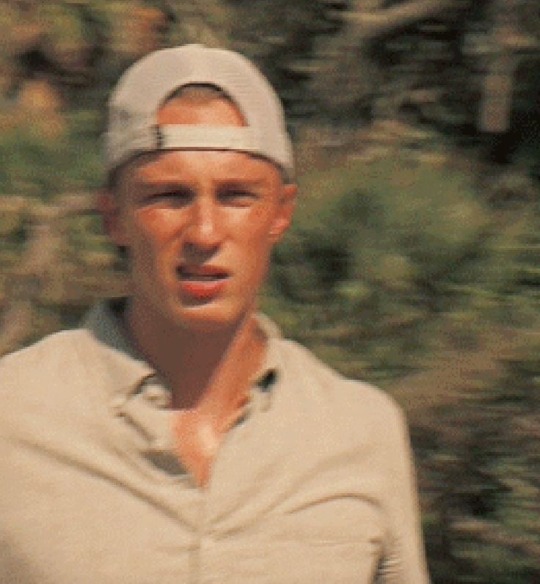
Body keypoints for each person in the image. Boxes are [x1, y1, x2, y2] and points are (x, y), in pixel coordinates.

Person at [0, 44, 430, 583]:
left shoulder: (359, 432)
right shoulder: (14, 417)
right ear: (114, 217)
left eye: (236, 196)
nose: (204, 233)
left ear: (281, 213)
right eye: (169, 196)